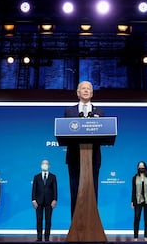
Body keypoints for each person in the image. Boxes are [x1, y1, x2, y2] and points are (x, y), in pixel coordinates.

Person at [64, 80, 104, 216]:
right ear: (78, 92)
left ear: (92, 93)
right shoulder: (69, 111)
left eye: (89, 89)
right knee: (75, 192)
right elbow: (64, 133)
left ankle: (92, 227)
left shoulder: (100, 112)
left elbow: (104, 134)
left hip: (93, 159)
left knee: (92, 192)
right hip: (74, 158)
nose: (86, 90)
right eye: (83, 88)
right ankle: (75, 229)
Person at [32, 160, 57, 242]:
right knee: (39, 220)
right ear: (41, 165)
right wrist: (33, 200)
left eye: (46, 164)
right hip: (38, 202)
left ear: (49, 166)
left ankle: (47, 238)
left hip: (49, 202)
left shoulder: (53, 177)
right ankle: (39, 237)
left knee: (48, 220)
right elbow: (34, 189)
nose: (44, 165)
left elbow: (55, 189)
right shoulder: (36, 177)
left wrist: (55, 199)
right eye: (43, 163)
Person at [131, 161, 147, 242]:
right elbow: (133, 190)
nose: (141, 167)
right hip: (138, 200)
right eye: (140, 166)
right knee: (137, 218)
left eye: (142, 166)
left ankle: (146, 236)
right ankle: (135, 237)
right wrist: (132, 201)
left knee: (146, 219)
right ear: (138, 168)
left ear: (145, 167)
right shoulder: (134, 178)